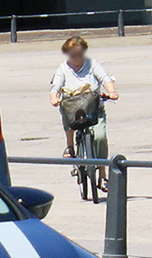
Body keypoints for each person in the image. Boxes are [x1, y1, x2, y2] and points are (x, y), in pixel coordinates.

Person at [49, 35, 119, 191]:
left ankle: (102, 174)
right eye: (73, 55)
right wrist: (54, 97)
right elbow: (55, 87)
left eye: (79, 54)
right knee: (66, 111)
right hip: (74, 109)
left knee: (100, 137)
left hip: (93, 109)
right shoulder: (63, 69)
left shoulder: (92, 64)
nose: (76, 58)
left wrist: (112, 91)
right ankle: (70, 145)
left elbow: (105, 79)